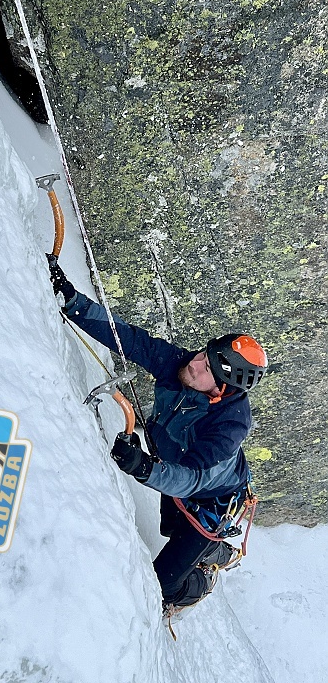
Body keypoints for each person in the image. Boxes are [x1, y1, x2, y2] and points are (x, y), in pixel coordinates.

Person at [47, 256, 268, 615]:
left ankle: (207, 571)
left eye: (206, 368)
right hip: (177, 471)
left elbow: (192, 478)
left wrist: (143, 467)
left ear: (221, 390)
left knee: (164, 587)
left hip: (212, 502)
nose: (195, 363)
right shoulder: (183, 366)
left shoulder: (228, 428)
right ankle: (210, 550)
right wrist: (71, 299)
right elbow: (131, 340)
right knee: (170, 527)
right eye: (204, 354)